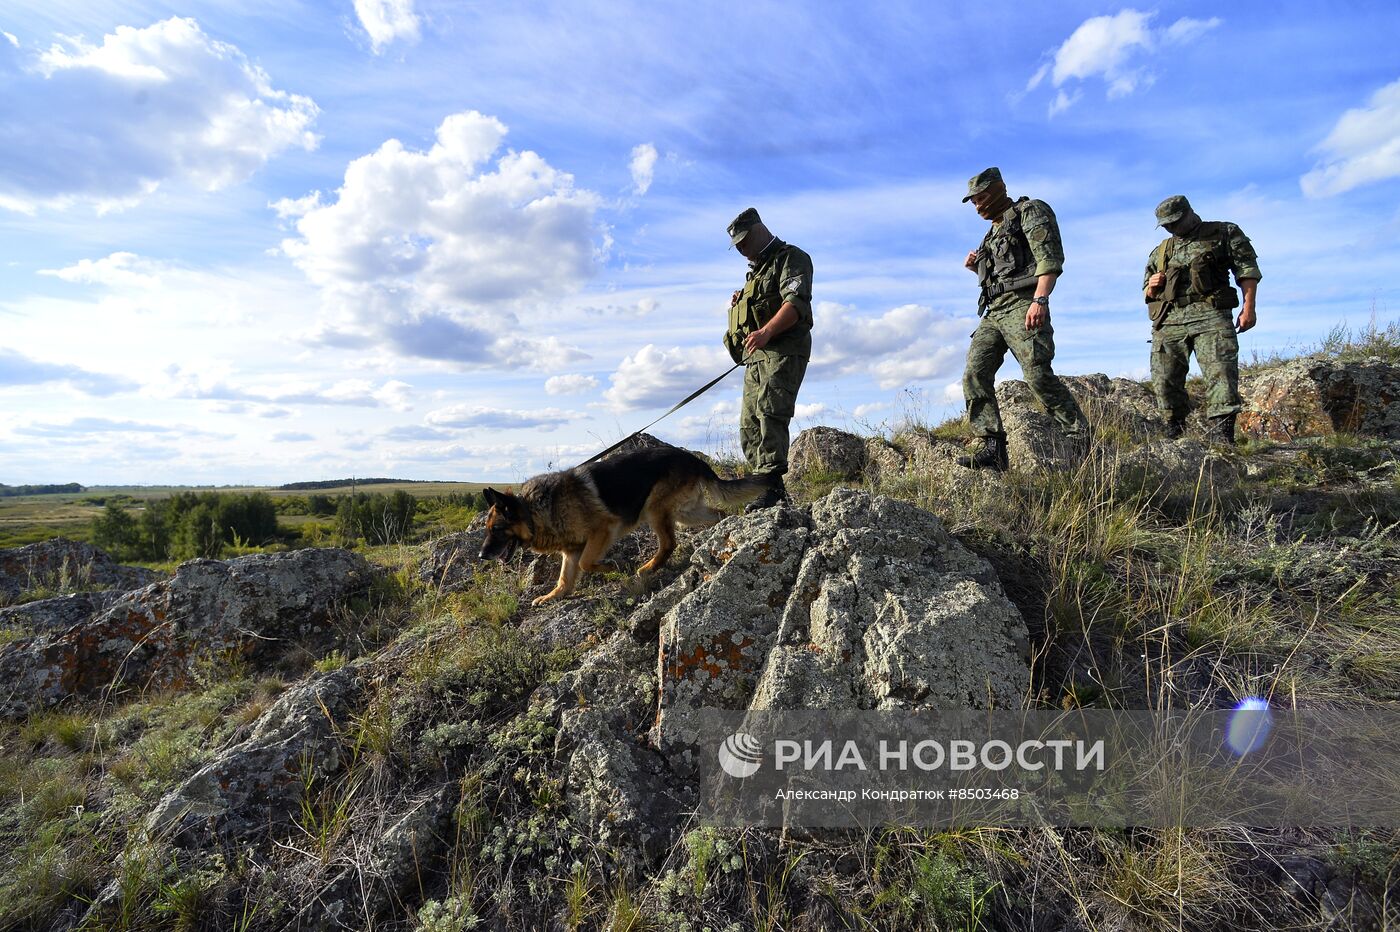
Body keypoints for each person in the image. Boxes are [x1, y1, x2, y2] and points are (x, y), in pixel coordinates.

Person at [958, 167, 1087, 470]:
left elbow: (1049, 258)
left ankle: (1080, 437)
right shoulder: (990, 234)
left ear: (1001, 188)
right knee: (974, 373)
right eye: (974, 201)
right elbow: (999, 275)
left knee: (1037, 374)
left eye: (982, 198)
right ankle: (992, 447)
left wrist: (1040, 299)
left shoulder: (1030, 211)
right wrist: (975, 267)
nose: (978, 206)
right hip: (994, 310)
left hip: (1023, 303)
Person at [1142, 195, 1261, 444]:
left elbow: (1246, 269)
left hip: (1211, 315)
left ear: (1189, 213)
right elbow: (1147, 289)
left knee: (1221, 373)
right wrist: (1152, 287)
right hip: (1170, 319)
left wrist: (1249, 307)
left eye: (1174, 222)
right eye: (1165, 225)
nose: (1171, 228)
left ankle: (1223, 437)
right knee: (1164, 379)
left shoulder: (1223, 232)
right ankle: (1175, 433)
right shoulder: (1162, 250)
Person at [724, 207, 814, 510]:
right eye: (736, 245)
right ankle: (768, 488)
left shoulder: (791, 258)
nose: (740, 249)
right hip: (757, 357)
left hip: (785, 349)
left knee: (770, 410)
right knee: (749, 423)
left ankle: (771, 487)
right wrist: (737, 309)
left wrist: (766, 331)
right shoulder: (754, 275)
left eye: (743, 241)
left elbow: (795, 304)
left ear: (759, 230)